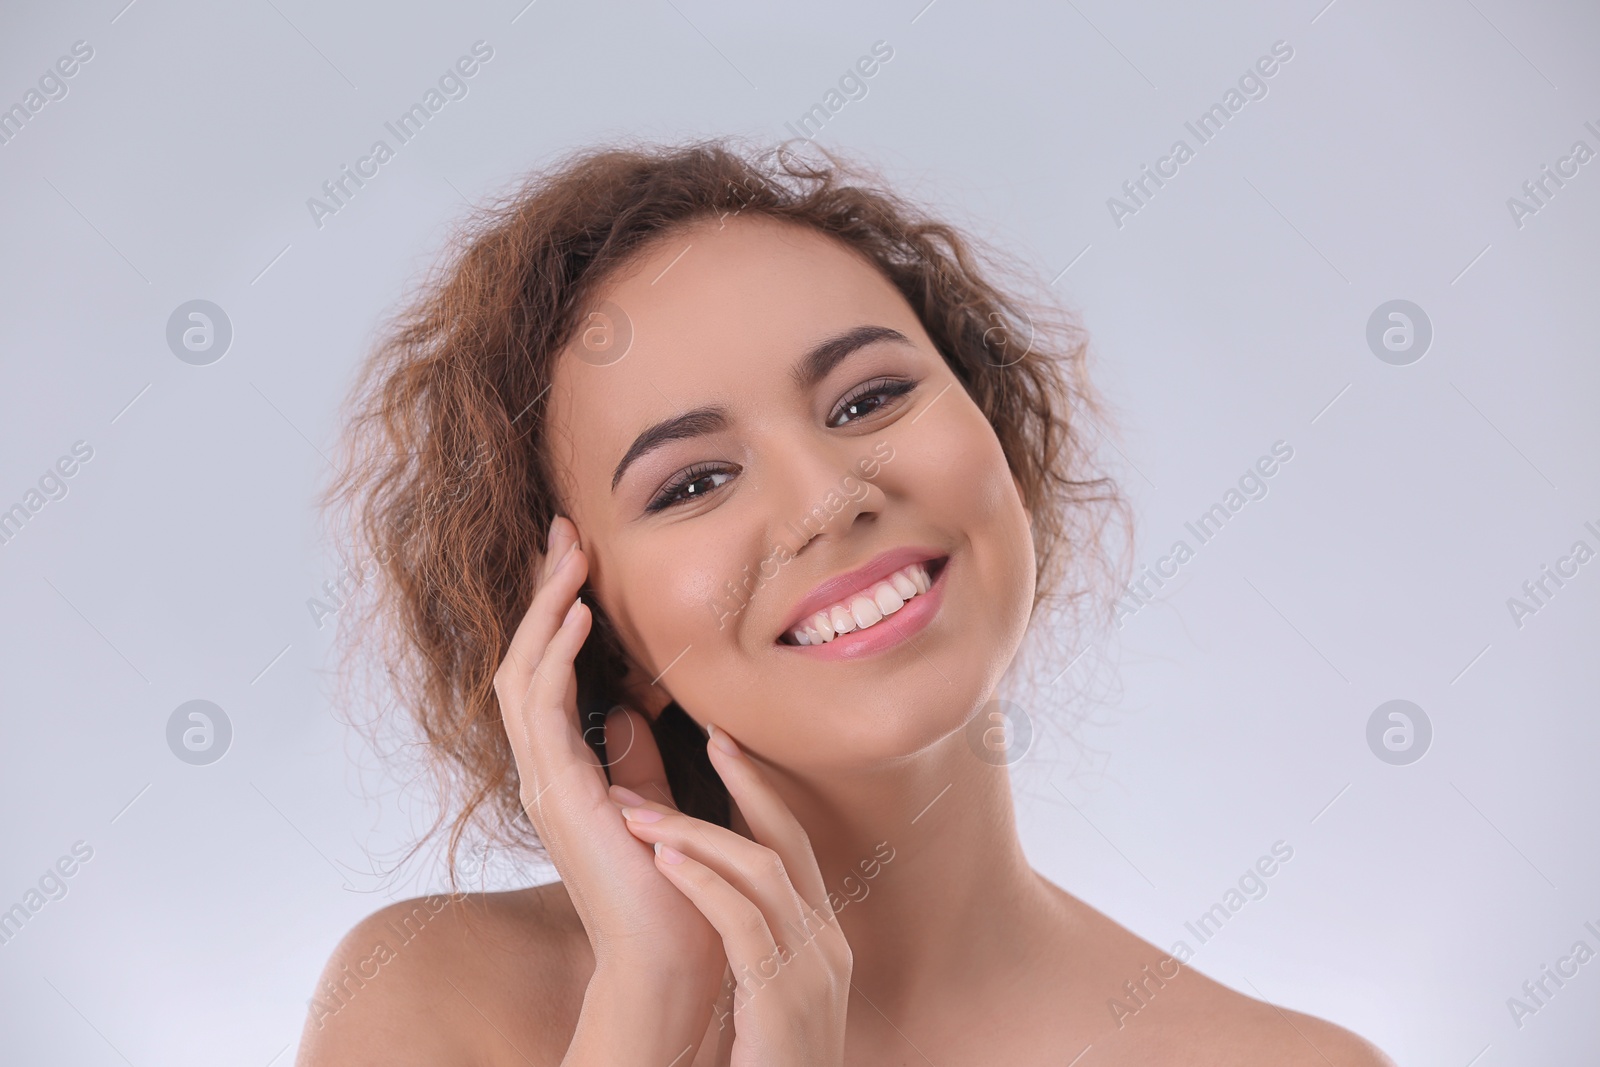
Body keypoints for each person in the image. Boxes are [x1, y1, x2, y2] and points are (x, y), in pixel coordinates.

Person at [298, 139, 1394, 1065]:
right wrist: (647, 1010)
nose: (828, 499)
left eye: (868, 398)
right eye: (691, 481)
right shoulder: (436, 1006)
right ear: (587, 627)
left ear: (997, 439)